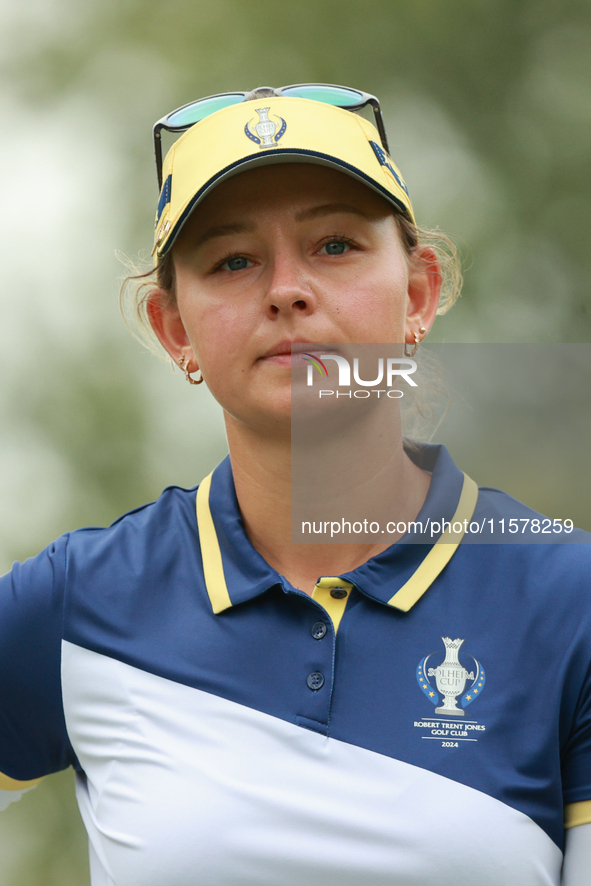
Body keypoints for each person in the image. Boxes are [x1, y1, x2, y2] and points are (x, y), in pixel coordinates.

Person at [1, 84, 590, 886]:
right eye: (233, 261)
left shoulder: (568, 601)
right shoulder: (77, 603)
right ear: (177, 330)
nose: (286, 289)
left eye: (335, 245)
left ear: (416, 294)